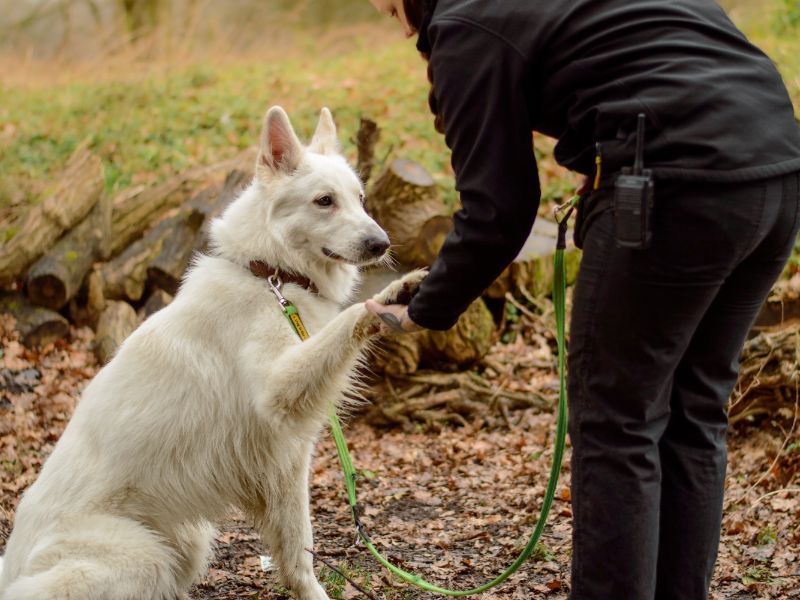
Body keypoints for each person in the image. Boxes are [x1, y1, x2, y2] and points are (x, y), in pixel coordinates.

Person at [365, 0, 800, 598]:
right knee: (694, 411)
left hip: (672, 186)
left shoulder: (465, 24)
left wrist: (426, 307)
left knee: (617, 421)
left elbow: (499, 209)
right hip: (776, 171)